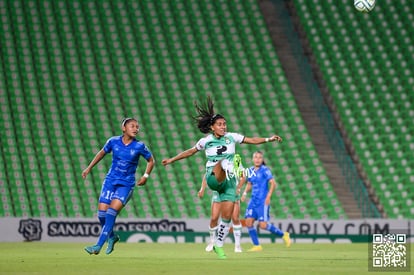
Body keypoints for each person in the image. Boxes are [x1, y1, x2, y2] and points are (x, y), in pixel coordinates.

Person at [162, 96, 282, 259]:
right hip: (213, 176)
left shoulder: (232, 137)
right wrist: (171, 160)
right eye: (220, 124)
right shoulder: (206, 141)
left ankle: (219, 245)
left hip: (229, 183)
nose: (223, 126)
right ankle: (231, 164)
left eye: (224, 124)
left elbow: (252, 140)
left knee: (227, 217)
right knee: (225, 160)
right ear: (212, 127)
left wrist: (268, 139)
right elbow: (189, 152)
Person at [82, 118, 154, 255]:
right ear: (124, 128)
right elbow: (101, 153)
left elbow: (151, 160)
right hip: (110, 181)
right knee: (101, 215)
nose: (135, 128)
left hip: (126, 184)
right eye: (132, 126)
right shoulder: (112, 141)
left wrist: (145, 176)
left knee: (110, 213)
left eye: (137, 127)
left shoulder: (139, 146)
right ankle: (112, 237)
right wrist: (88, 168)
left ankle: (97, 246)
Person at [239, 151, 291, 251]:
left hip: (262, 201)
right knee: (248, 222)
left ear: (262, 160)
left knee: (263, 225)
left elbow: (273, 183)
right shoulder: (250, 170)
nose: (257, 159)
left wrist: (268, 196)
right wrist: (244, 193)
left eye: (260, 157)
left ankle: (284, 234)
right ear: (252, 159)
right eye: (256, 157)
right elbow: (249, 183)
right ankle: (257, 245)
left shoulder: (265, 170)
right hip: (253, 201)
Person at [198, 175, 243, 253]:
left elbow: (243, 175)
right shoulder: (217, 162)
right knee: (214, 218)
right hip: (219, 192)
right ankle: (212, 242)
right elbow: (207, 175)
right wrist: (202, 189)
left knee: (235, 218)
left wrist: (239, 187)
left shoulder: (236, 162)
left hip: (232, 191)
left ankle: (237, 245)